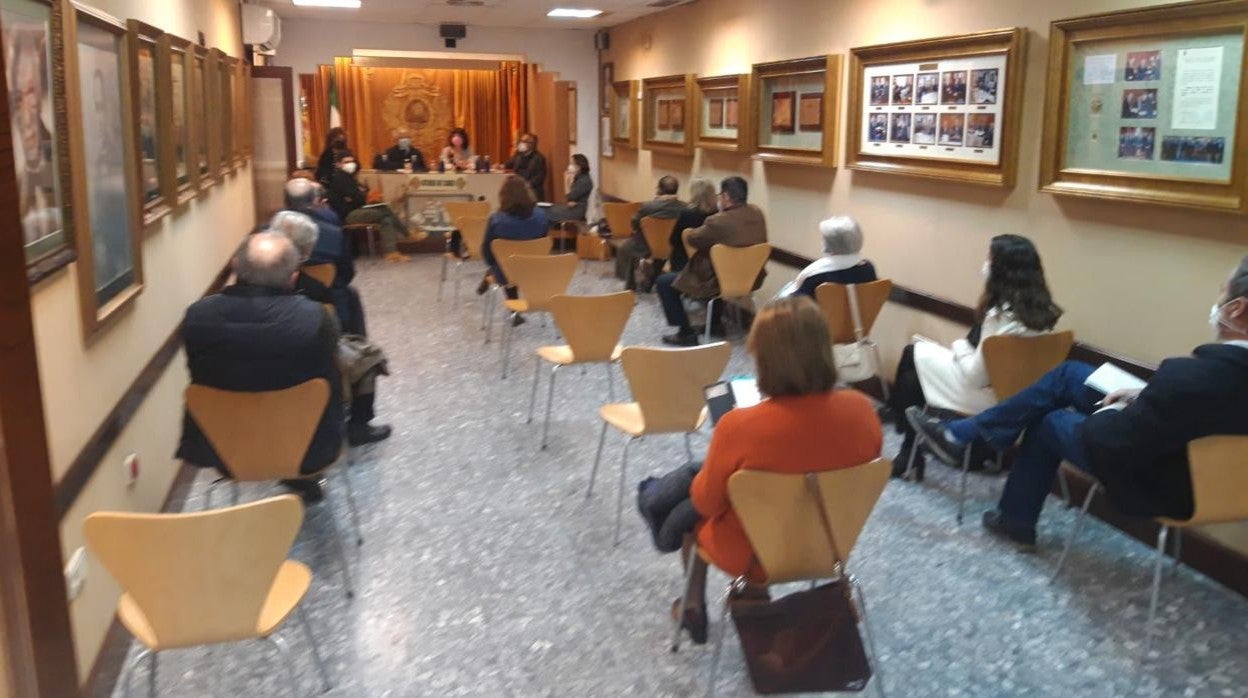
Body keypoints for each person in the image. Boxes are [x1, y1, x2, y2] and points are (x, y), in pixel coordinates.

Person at [908, 256, 1248, 550]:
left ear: (1237, 308)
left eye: (1222, 290)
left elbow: (1111, 441)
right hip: (1220, 482)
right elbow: (1201, 410)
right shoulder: (1194, 379)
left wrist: (1116, 409)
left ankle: (1014, 518)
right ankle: (969, 434)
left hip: (1161, 480)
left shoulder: (1187, 378)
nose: (1217, 299)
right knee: (1071, 375)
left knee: (1049, 421)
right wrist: (1144, 396)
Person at [669, 297, 883, 643]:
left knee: (694, 522)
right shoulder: (864, 413)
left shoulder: (739, 425)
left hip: (754, 553)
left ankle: (695, 605)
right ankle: (752, 602)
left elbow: (707, 503)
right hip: (829, 543)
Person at [176, 233, 342, 503]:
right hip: (311, 448)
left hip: (224, 450)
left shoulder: (197, 318)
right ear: (293, 278)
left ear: (234, 266)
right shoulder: (316, 318)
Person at [889, 234, 1061, 478]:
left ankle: (908, 449)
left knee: (911, 358)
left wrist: (960, 346)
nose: (985, 264)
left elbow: (975, 377)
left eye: (989, 259)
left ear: (1002, 270)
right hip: (1021, 399)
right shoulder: (1046, 315)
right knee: (911, 373)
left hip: (987, 399)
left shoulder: (1000, 316)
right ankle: (911, 449)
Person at [268, 211, 392, 447]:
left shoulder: (211, 312)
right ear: (304, 253)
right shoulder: (315, 299)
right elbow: (346, 277)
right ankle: (358, 426)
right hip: (310, 373)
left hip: (247, 395)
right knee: (368, 356)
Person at [657, 176, 768, 346]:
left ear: (725, 197)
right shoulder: (758, 214)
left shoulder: (719, 221)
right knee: (719, 269)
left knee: (665, 282)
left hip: (717, 281)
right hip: (750, 279)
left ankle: (685, 333)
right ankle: (715, 324)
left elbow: (693, 239)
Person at [283, 177, 364, 335]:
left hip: (280, 301)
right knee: (350, 294)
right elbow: (347, 272)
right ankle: (354, 345)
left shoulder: (265, 234)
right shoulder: (334, 234)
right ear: (315, 201)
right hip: (328, 301)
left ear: (285, 202)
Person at [325, 150, 413, 263]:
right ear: (339, 164)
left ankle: (391, 253)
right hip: (347, 215)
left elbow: (356, 197)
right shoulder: (340, 177)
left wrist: (357, 198)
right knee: (385, 210)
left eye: (352, 161)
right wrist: (359, 197)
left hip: (355, 210)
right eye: (346, 162)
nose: (351, 164)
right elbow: (358, 198)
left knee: (386, 219)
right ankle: (407, 234)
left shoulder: (349, 177)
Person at [479, 175, 549, 311]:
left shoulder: (496, 220)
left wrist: (493, 265)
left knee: (500, 263)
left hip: (505, 272)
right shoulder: (541, 216)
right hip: (534, 271)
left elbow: (487, 252)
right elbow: (542, 243)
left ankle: (512, 304)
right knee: (512, 261)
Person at [776, 216, 877, 298]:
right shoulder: (868, 268)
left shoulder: (818, 275)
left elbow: (793, 304)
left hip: (813, 322)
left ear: (830, 243)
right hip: (852, 322)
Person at [615, 175, 684, 290]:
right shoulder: (684, 208)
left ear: (659, 190)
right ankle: (650, 282)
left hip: (646, 246)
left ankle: (629, 284)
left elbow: (635, 223)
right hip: (672, 246)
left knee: (626, 249)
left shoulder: (648, 206)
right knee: (661, 254)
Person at [666, 178, 717, 274]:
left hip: (684, 263)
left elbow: (673, 240)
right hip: (711, 263)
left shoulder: (687, 214)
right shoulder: (717, 214)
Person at [546, 154, 593, 225]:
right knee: (547, 208)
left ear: (579, 166)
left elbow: (569, 196)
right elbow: (571, 199)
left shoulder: (585, 181)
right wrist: (571, 200)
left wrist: (566, 181)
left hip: (577, 211)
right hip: (571, 207)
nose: (569, 166)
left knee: (547, 213)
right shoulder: (579, 177)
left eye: (572, 163)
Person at [504, 132, 548, 201]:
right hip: (518, 189)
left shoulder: (539, 158)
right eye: (521, 141)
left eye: (524, 141)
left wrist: (527, 185)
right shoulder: (518, 155)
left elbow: (540, 177)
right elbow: (508, 165)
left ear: (532, 144)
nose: (521, 143)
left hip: (532, 192)